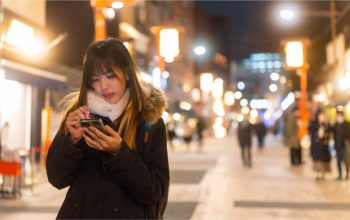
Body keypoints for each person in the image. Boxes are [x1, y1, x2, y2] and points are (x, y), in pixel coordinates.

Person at [46, 38, 169, 219]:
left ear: (127, 73)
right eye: (95, 79)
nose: (104, 86)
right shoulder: (79, 114)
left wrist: (119, 153)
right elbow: (56, 178)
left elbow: (155, 193)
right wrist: (72, 142)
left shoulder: (148, 121)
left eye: (110, 75)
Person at [309, 110, 331, 181]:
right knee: (317, 160)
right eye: (320, 116)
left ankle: (323, 174)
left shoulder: (326, 124)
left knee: (323, 160)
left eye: (322, 116)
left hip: (324, 146)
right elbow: (311, 131)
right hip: (316, 146)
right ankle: (318, 174)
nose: (322, 117)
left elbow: (329, 132)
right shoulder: (314, 123)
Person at [330, 110, 349, 180]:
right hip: (337, 145)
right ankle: (340, 175)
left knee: (345, 160)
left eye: (339, 115)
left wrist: (346, 140)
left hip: (344, 145)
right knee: (338, 161)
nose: (338, 117)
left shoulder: (347, 124)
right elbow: (331, 131)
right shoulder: (335, 124)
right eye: (337, 116)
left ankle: (347, 174)